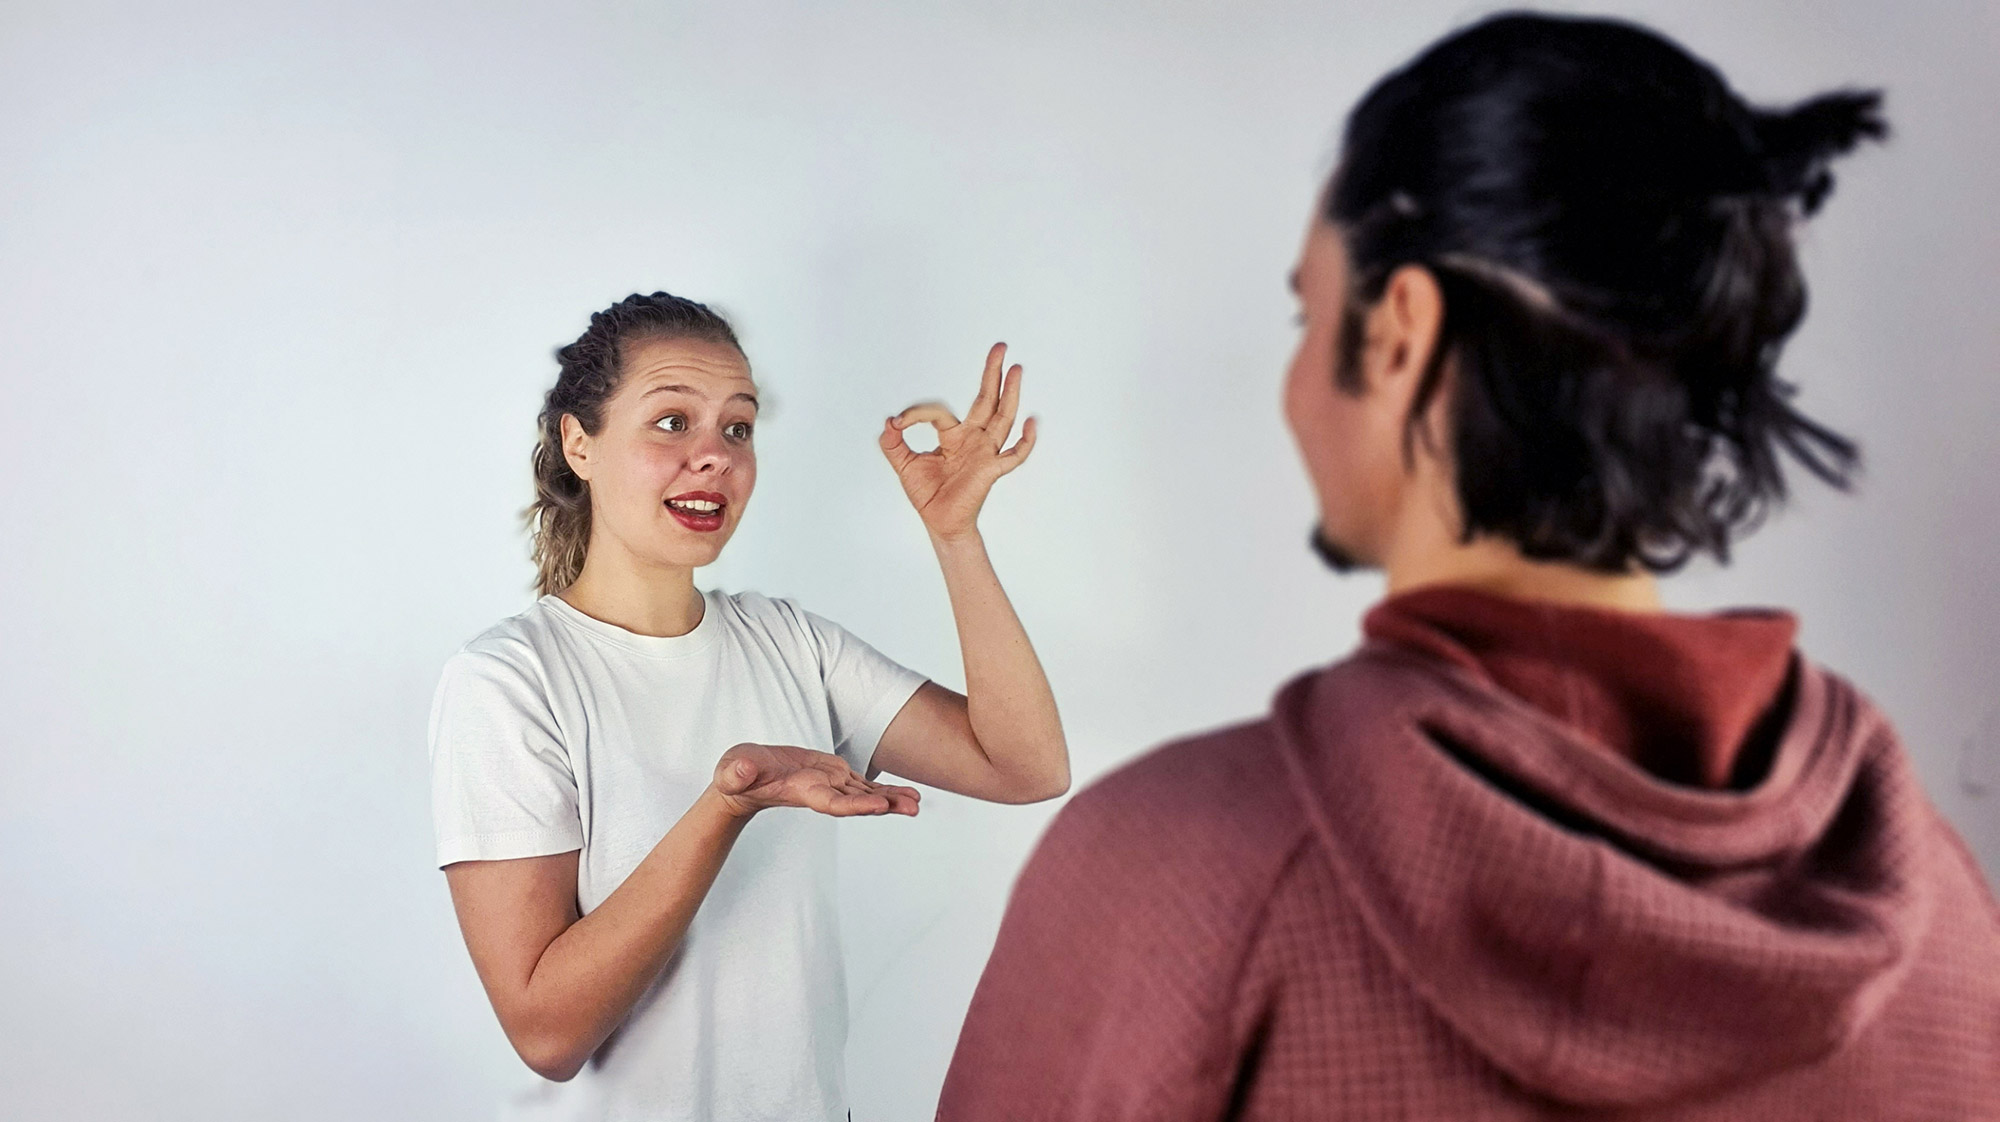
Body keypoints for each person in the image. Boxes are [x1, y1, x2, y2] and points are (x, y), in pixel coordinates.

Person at [937, 12, 2000, 1119]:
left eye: (1308, 311)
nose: (1292, 381)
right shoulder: (1938, 919)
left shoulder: (1175, 875)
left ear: (1399, 330)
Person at [428, 292, 1068, 1122]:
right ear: (578, 444)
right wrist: (728, 804)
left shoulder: (789, 642)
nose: (715, 457)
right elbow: (547, 1034)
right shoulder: (510, 681)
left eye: (738, 427)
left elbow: (1024, 765)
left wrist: (956, 536)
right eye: (670, 423)